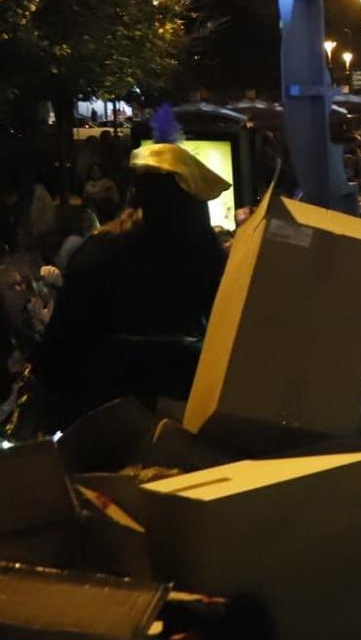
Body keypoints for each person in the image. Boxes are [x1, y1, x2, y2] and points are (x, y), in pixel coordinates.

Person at [29, 141, 229, 429]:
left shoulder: (97, 252)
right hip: (190, 420)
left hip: (104, 420)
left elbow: (57, 356)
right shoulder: (203, 258)